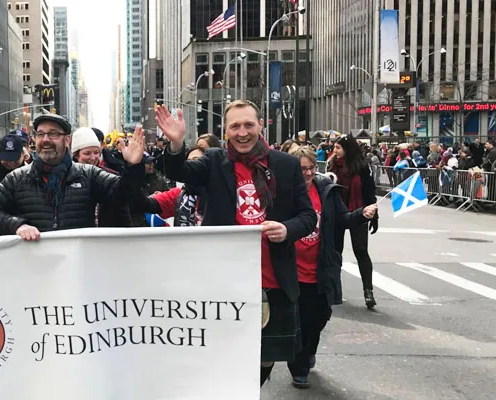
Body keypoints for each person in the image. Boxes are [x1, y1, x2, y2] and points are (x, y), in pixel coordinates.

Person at [156, 100, 317, 387]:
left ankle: (249, 389)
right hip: (224, 277)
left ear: (260, 125)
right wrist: (177, 144)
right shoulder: (215, 161)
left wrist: (287, 229)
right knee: (223, 351)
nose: (242, 132)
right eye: (235, 126)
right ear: (226, 130)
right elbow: (181, 172)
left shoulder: (287, 165)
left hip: (273, 278)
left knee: (267, 355)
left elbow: (307, 216)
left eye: (248, 125)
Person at [287, 146, 378, 389]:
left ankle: (308, 352)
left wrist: (363, 214)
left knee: (320, 316)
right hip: (293, 270)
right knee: (300, 320)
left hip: (321, 266)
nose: (306, 173)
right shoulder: (285, 194)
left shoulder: (326, 191)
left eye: (310, 168)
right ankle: (300, 366)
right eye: (301, 169)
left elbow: (344, 219)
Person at [0, 113, 145, 239]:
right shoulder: (16, 178)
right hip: (34, 271)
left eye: (53, 134)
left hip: (79, 268)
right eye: (40, 134)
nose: (45, 139)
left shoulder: (88, 175)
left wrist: (133, 166)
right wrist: (18, 226)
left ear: (67, 140)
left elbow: (123, 195)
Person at [327, 134, 379, 309]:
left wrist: (374, 215)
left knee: (361, 250)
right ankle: (335, 290)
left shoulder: (362, 167)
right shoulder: (331, 165)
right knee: (335, 252)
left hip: (358, 212)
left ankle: (368, 291)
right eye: (334, 147)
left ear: (347, 149)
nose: (335, 150)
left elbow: (370, 191)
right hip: (337, 213)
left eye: (338, 148)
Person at [70, 127, 132, 227]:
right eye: (87, 153)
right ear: (76, 155)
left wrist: (132, 166)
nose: (93, 157)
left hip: (107, 239)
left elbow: (124, 211)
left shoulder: (111, 176)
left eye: (96, 152)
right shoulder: (65, 179)